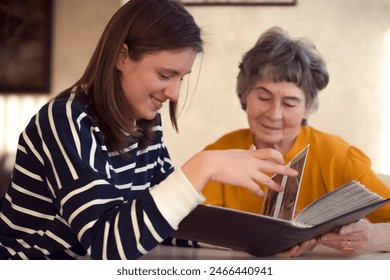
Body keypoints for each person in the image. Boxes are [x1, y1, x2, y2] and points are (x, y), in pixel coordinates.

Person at [0, 1, 297, 260]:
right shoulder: (64, 121)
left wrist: (269, 240)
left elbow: (168, 221)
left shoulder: (144, 124)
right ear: (122, 56)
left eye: (182, 77)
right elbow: (108, 246)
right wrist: (204, 165)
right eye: (165, 74)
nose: (175, 93)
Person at [200, 26, 390, 256]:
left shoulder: (337, 155)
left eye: (290, 103)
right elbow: (188, 226)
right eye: (263, 97)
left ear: (308, 108)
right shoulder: (220, 153)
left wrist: (374, 239)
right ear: (244, 95)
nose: (274, 114)